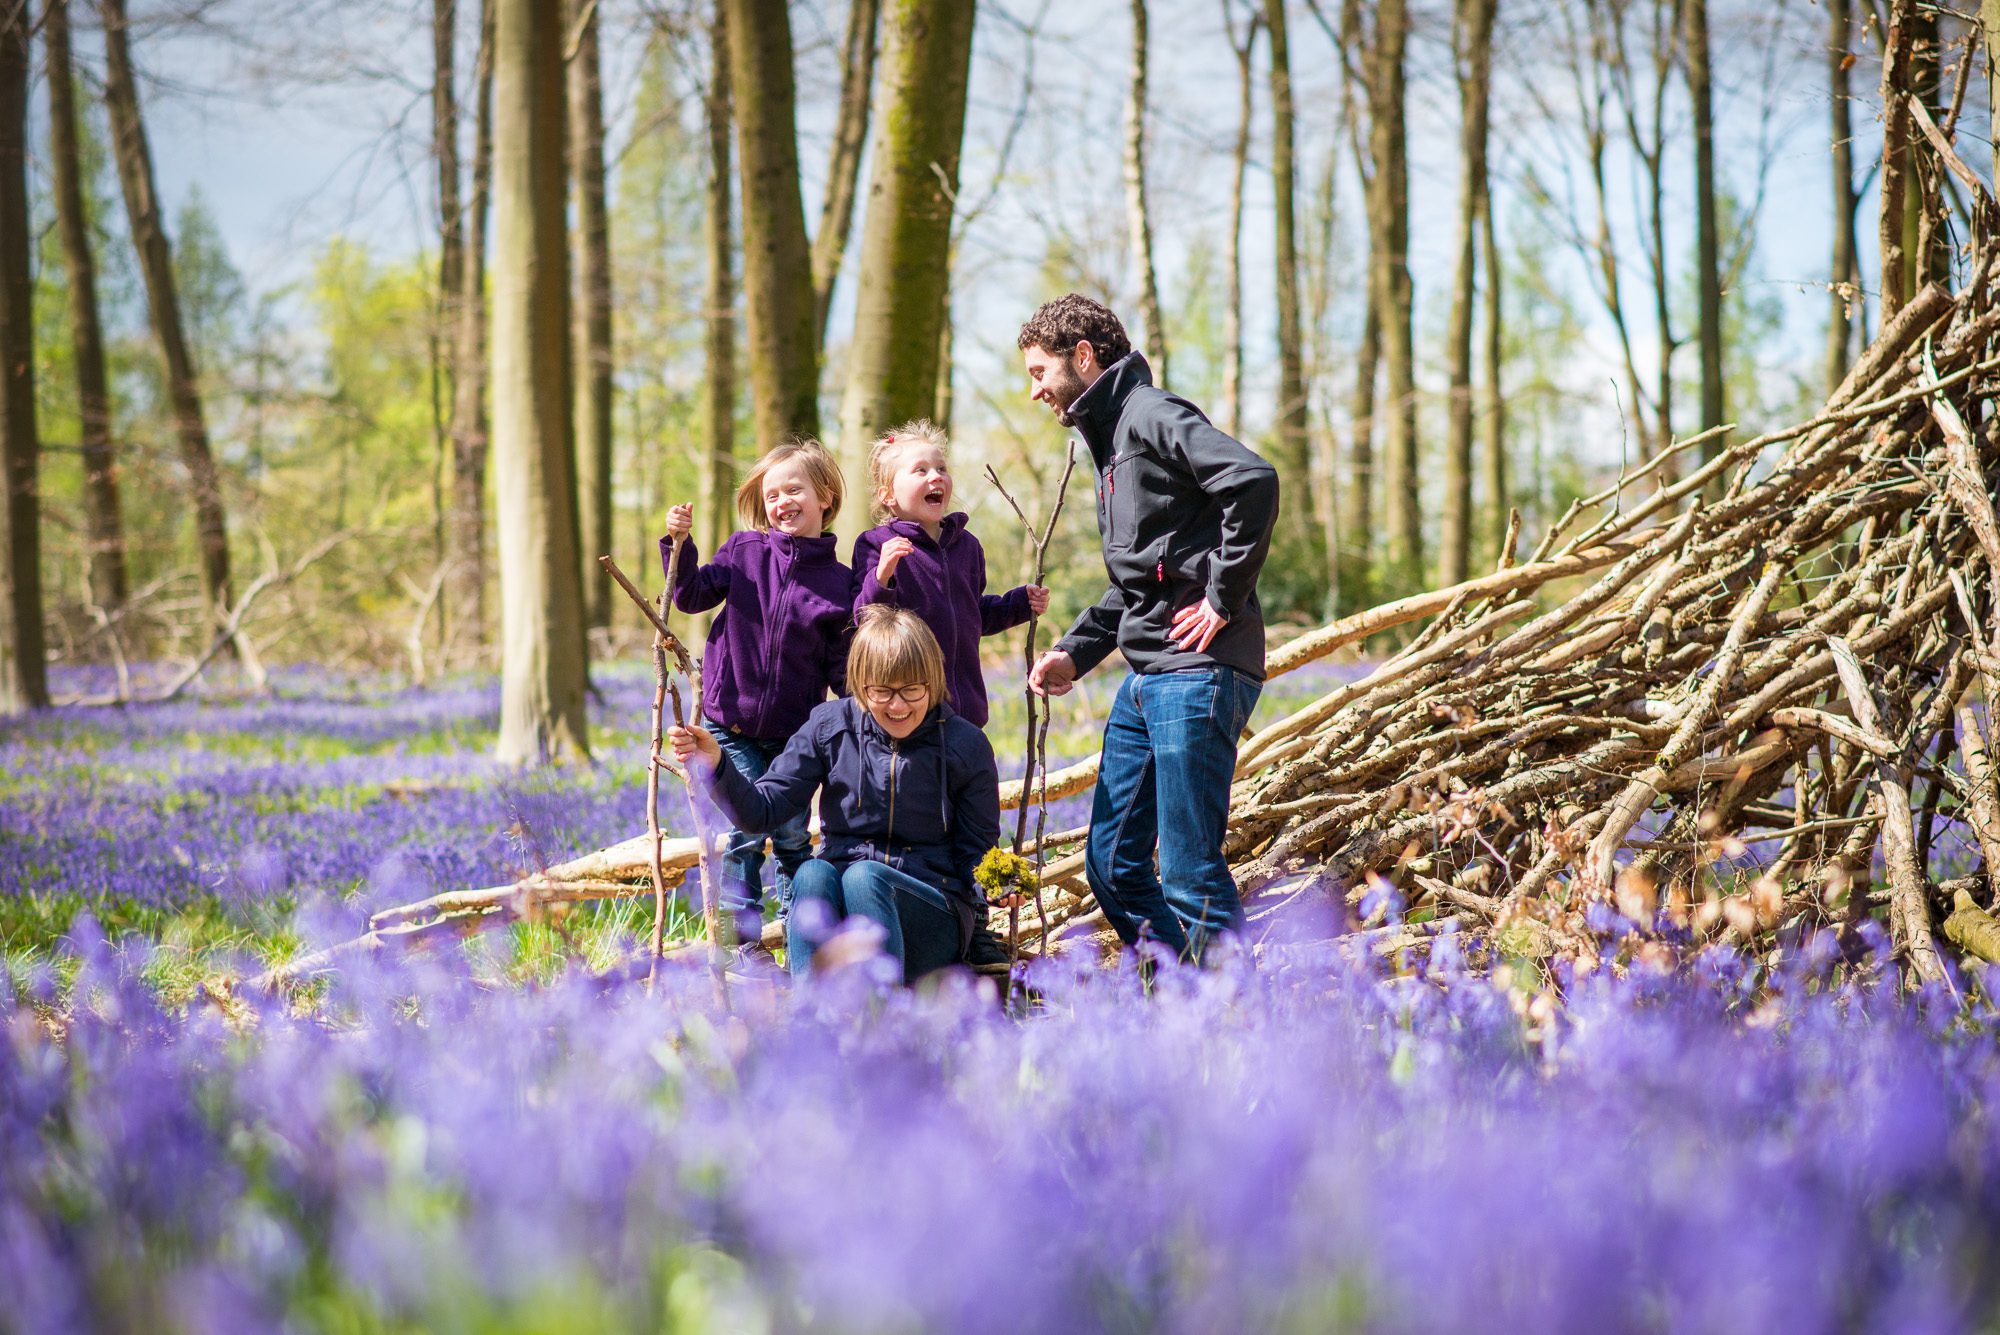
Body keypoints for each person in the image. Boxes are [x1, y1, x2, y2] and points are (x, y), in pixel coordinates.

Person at [1020, 294, 1279, 964]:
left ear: (1083, 356)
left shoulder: (1153, 415)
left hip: (1199, 669)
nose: (1034, 391)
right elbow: (1141, 578)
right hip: (1149, 675)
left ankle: (1235, 1030)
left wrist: (1223, 596)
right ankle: (1185, 991)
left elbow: (1252, 481)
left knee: (1190, 872)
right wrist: (1074, 654)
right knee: (1112, 864)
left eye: (1039, 371)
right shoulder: (1111, 442)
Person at [669, 606, 1001, 983]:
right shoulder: (830, 726)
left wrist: (998, 887)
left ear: (934, 682)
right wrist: (717, 763)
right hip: (844, 907)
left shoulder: (965, 744)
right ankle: (811, 1017)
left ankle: (884, 1015)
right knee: (811, 873)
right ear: (860, 684)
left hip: (931, 916)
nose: (898, 705)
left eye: (912, 690)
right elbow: (761, 812)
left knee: (865, 877)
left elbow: (977, 851)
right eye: (882, 691)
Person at [661, 438, 853, 949]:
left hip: (795, 740)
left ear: (826, 497)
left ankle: (799, 943)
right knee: (743, 839)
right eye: (772, 495)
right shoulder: (745, 552)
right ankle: (734, 946)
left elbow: (842, 671)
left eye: (795, 489)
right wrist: (678, 545)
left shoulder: (840, 584)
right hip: (729, 728)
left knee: (793, 841)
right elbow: (690, 595)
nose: (782, 502)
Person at [850, 419, 1050, 728]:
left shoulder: (967, 547)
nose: (936, 476)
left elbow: (975, 613)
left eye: (941, 469)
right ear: (887, 495)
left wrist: (1019, 603)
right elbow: (865, 620)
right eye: (921, 470)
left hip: (966, 711)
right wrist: (882, 578)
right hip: (909, 714)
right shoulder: (876, 545)